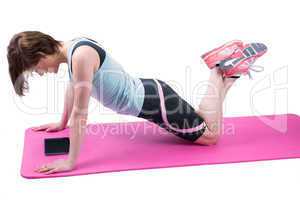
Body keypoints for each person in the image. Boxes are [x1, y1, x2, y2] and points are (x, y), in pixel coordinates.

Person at [7, 31, 267, 174]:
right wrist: (60, 123)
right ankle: (229, 72)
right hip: (154, 95)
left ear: (41, 54)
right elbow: (72, 89)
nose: (39, 72)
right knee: (200, 121)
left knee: (210, 136)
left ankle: (217, 70)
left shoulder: (81, 57)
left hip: (155, 104)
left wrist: (70, 162)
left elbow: (80, 113)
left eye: (35, 68)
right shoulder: (75, 48)